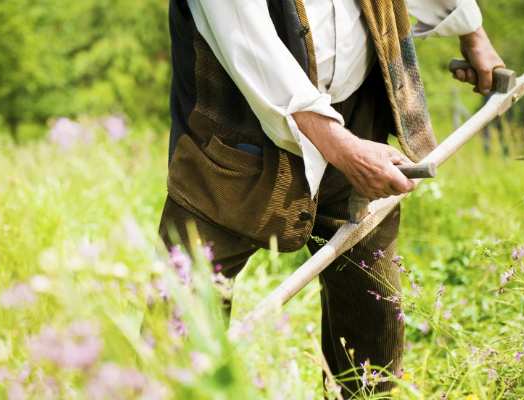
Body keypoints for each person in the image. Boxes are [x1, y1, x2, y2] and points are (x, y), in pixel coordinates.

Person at [159, 0, 504, 395]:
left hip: (357, 116)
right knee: (184, 311)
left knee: (372, 319)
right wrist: (341, 149)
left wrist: (470, 29)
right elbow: (248, 43)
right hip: (235, 136)